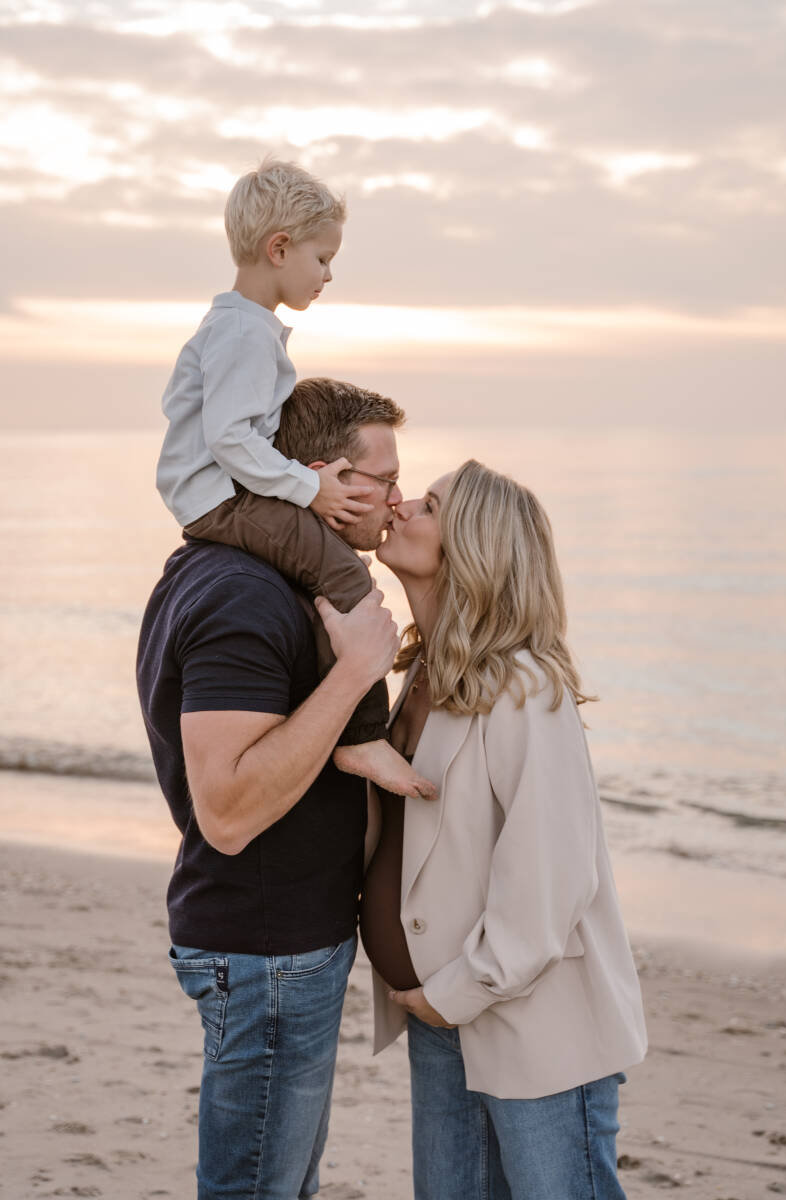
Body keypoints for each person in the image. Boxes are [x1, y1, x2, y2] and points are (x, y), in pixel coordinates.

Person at [137, 378, 427, 1200]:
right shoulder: (242, 594)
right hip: (266, 950)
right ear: (319, 474)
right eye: (382, 478)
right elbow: (226, 812)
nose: (396, 499)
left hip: (283, 944)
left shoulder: (258, 577)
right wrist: (360, 674)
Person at [360, 459, 648, 1199]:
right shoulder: (420, 676)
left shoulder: (525, 689)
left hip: (525, 1019)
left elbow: (551, 878)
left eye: (426, 504)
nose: (399, 504)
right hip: (439, 1015)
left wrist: (457, 990)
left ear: (471, 545)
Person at [155, 156, 430, 801]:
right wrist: (311, 488)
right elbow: (229, 438)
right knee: (348, 576)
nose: (329, 274)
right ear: (279, 248)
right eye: (323, 258)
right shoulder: (244, 334)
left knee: (320, 575)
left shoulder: (242, 328)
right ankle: (363, 737)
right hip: (222, 498)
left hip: (220, 493)